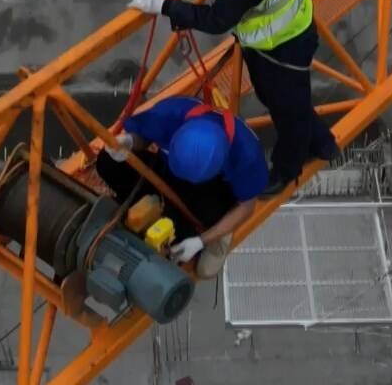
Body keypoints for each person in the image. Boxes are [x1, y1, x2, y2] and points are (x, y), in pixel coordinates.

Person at [131, 0, 341, 196]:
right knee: (279, 99)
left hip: (286, 40)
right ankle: (323, 143)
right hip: (264, 36)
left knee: (288, 109)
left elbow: (217, 20)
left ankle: (288, 168)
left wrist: (165, 6)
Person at [97, 96, 268, 277]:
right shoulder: (170, 114)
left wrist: (201, 241)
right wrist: (131, 142)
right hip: (166, 169)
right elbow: (145, 137)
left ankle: (217, 233)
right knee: (107, 162)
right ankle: (143, 205)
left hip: (207, 193)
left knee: (184, 248)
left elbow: (247, 206)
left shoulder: (247, 156)